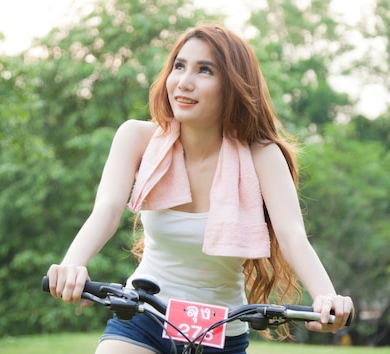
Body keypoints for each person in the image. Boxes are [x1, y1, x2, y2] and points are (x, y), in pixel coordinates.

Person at [46, 24, 354, 354]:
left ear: (232, 85)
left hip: (222, 330)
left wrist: (327, 296)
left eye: (204, 70)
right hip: (144, 314)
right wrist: (73, 264)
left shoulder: (262, 155)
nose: (183, 82)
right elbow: (106, 212)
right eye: (179, 66)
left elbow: (292, 235)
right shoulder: (137, 138)